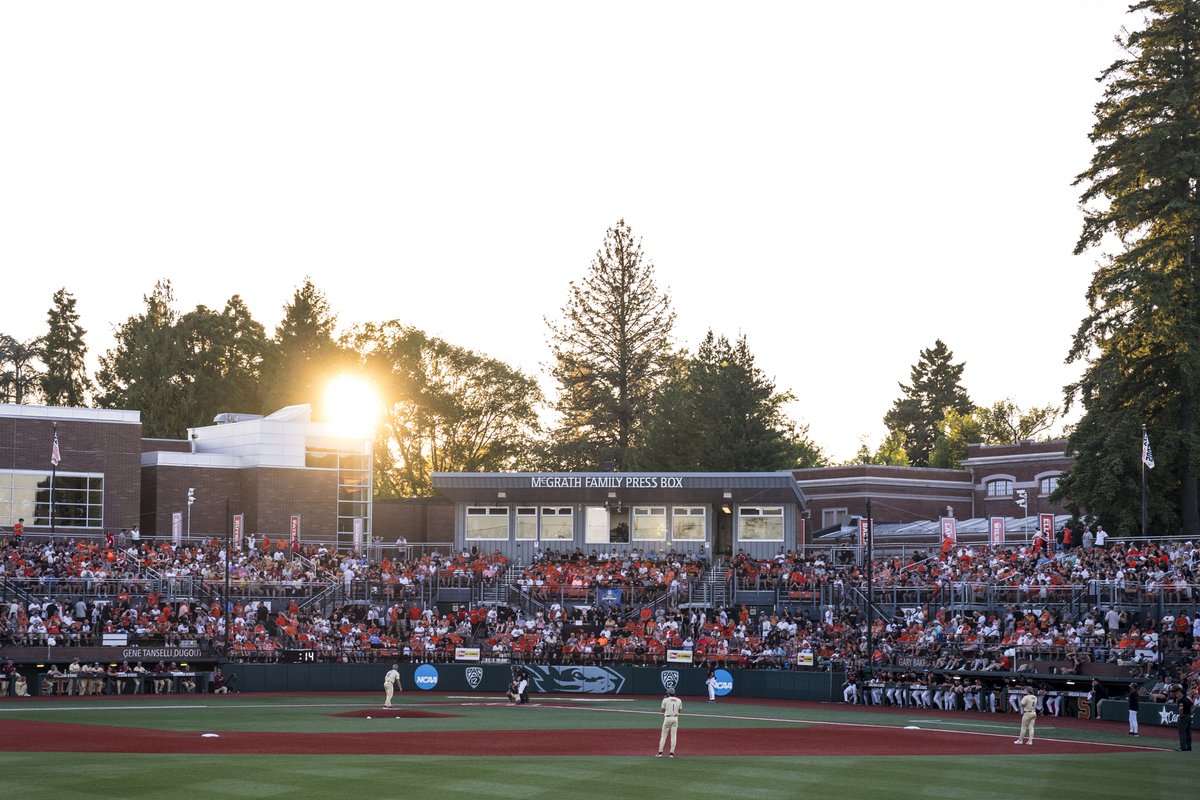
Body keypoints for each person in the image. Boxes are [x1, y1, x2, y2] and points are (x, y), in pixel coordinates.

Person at [657, 687, 683, 758]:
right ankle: (671, 753)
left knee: (663, 736)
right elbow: (679, 710)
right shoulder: (679, 700)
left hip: (667, 718)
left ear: (668, 693)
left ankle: (660, 753)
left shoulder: (665, 700)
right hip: (675, 718)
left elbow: (662, 710)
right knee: (673, 736)